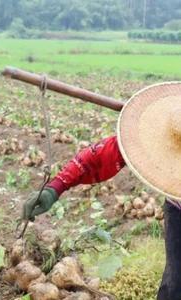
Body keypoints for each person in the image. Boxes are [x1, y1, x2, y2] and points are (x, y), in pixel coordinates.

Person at [22, 82, 181, 300]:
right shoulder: (170, 125)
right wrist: (55, 187)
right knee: (176, 283)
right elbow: (99, 158)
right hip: (178, 211)